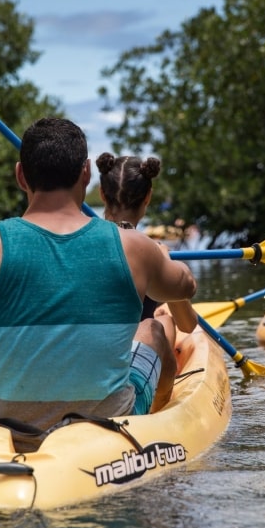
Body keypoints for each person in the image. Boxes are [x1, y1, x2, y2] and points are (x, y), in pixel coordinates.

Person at [0, 118, 197, 447]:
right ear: (86, 173)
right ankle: (156, 422)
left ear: (20, 175)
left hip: (3, 425)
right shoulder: (136, 248)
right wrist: (160, 259)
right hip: (110, 424)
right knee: (152, 331)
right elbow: (185, 287)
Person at [95, 152, 199, 382]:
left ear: (102, 194)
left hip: (87, 359)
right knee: (165, 322)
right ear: (148, 197)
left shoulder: (78, 242)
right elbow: (188, 324)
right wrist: (166, 261)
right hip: (130, 361)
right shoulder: (154, 253)